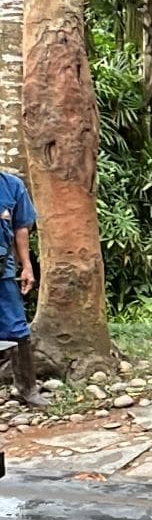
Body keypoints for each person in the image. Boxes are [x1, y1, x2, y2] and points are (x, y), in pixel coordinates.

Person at [0, 168, 44, 407]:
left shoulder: (12, 185)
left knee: (17, 327)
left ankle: (27, 389)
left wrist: (26, 266)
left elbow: (21, 229)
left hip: (3, 269)